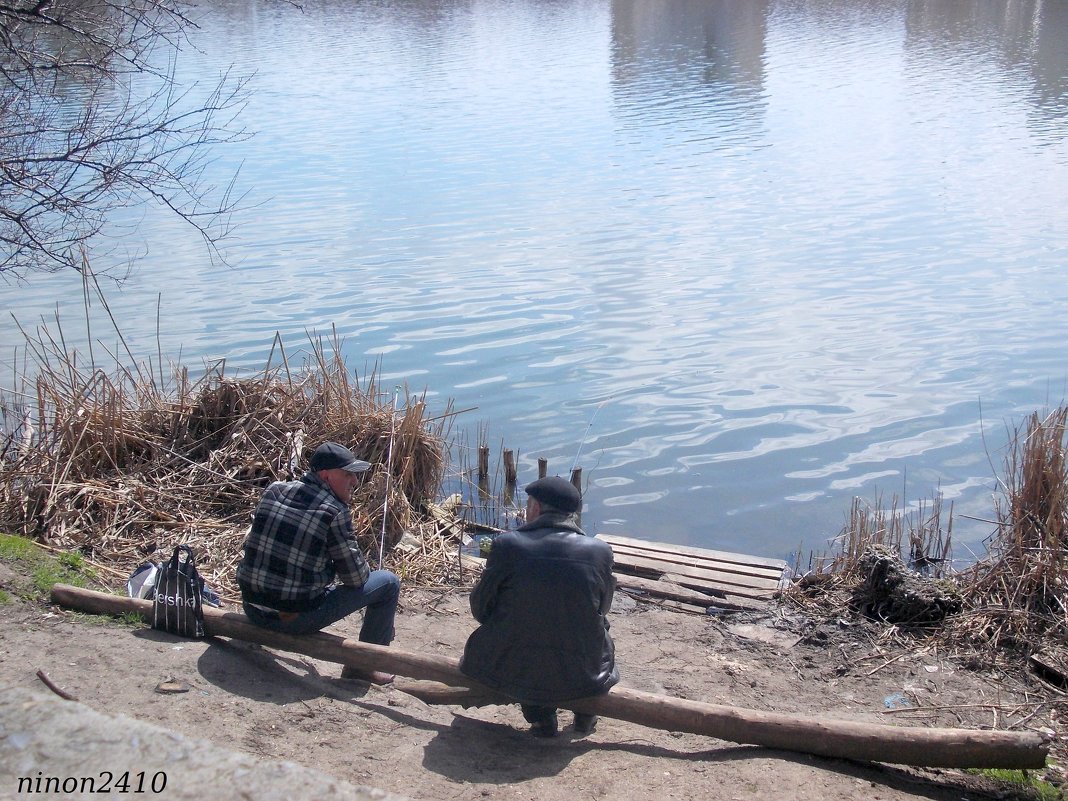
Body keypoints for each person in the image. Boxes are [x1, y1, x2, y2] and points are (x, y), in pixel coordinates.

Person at [460, 475, 619, 737]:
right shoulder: (600, 551)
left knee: (526, 635)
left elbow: (481, 609)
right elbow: (603, 608)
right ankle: (585, 715)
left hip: (514, 668)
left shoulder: (506, 545)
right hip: (584, 672)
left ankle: (541, 720)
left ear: (535, 508)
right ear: (572, 513)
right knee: (596, 633)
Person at [236, 441, 400, 684]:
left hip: (252, 607)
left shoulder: (275, 489)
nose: (354, 481)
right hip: (292, 619)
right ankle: (364, 667)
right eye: (347, 475)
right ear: (325, 476)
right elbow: (356, 579)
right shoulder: (333, 511)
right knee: (388, 583)